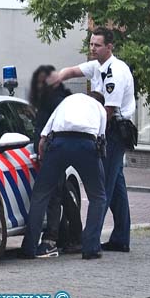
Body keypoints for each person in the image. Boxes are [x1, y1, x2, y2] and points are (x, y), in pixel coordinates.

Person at [48, 27, 135, 252]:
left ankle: (90, 241)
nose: (92, 48)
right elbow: (73, 71)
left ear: (109, 47)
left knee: (101, 187)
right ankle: (121, 238)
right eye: (91, 44)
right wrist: (56, 77)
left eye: (97, 45)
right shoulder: (98, 66)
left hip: (113, 131)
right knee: (117, 188)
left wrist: (95, 138)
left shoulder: (114, 72)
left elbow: (107, 112)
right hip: (110, 130)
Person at [20, 92, 108, 260]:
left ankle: (29, 248)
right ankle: (90, 248)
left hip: (58, 143)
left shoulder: (67, 101)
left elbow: (43, 137)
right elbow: (101, 138)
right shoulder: (100, 109)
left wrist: (46, 157)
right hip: (86, 144)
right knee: (98, 197)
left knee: (40, 195)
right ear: (101, 103)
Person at [28, 65, 79, 257]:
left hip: (52, 153)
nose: (42, 85)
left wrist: (43, 148)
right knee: (62, 194)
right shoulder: (51, 100)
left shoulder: (56, 101)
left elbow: (48, 128)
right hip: (51, 151)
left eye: (45, 81)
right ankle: (73, 238)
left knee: (54, 196)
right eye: (39, 81)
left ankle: (50, 240)